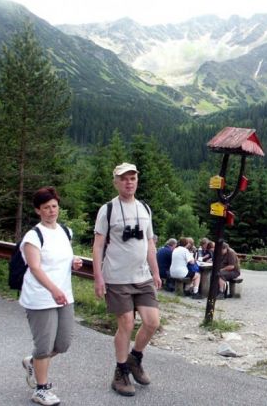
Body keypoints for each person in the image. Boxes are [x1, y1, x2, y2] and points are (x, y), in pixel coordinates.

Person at [92, 162, 161, 397]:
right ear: (116, 182)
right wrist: (98, 277)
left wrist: (156, 272)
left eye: (132, 178)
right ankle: (120, 372)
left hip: (142, 277)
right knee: (127, 323)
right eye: (123, 179)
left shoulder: (145, 209)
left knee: (152, 322)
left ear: (137, 180)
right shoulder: (108, 210)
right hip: (117, 277)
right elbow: (99, 244)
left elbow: (150, 243)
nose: (128, 182)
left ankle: (135, 358)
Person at [19, 186, 83, 406]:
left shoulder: (66, 231)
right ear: (38, 210)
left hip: (64, 295)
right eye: (45, 208)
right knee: (44, 345)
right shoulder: (33, 236)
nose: (51, 211)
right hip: (40, 297)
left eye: (54, 206)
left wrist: (74, 262)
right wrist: (53, 290)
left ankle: (34, 361)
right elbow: (36, 268)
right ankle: (41, 389)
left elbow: (63, 259)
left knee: (63, 343)